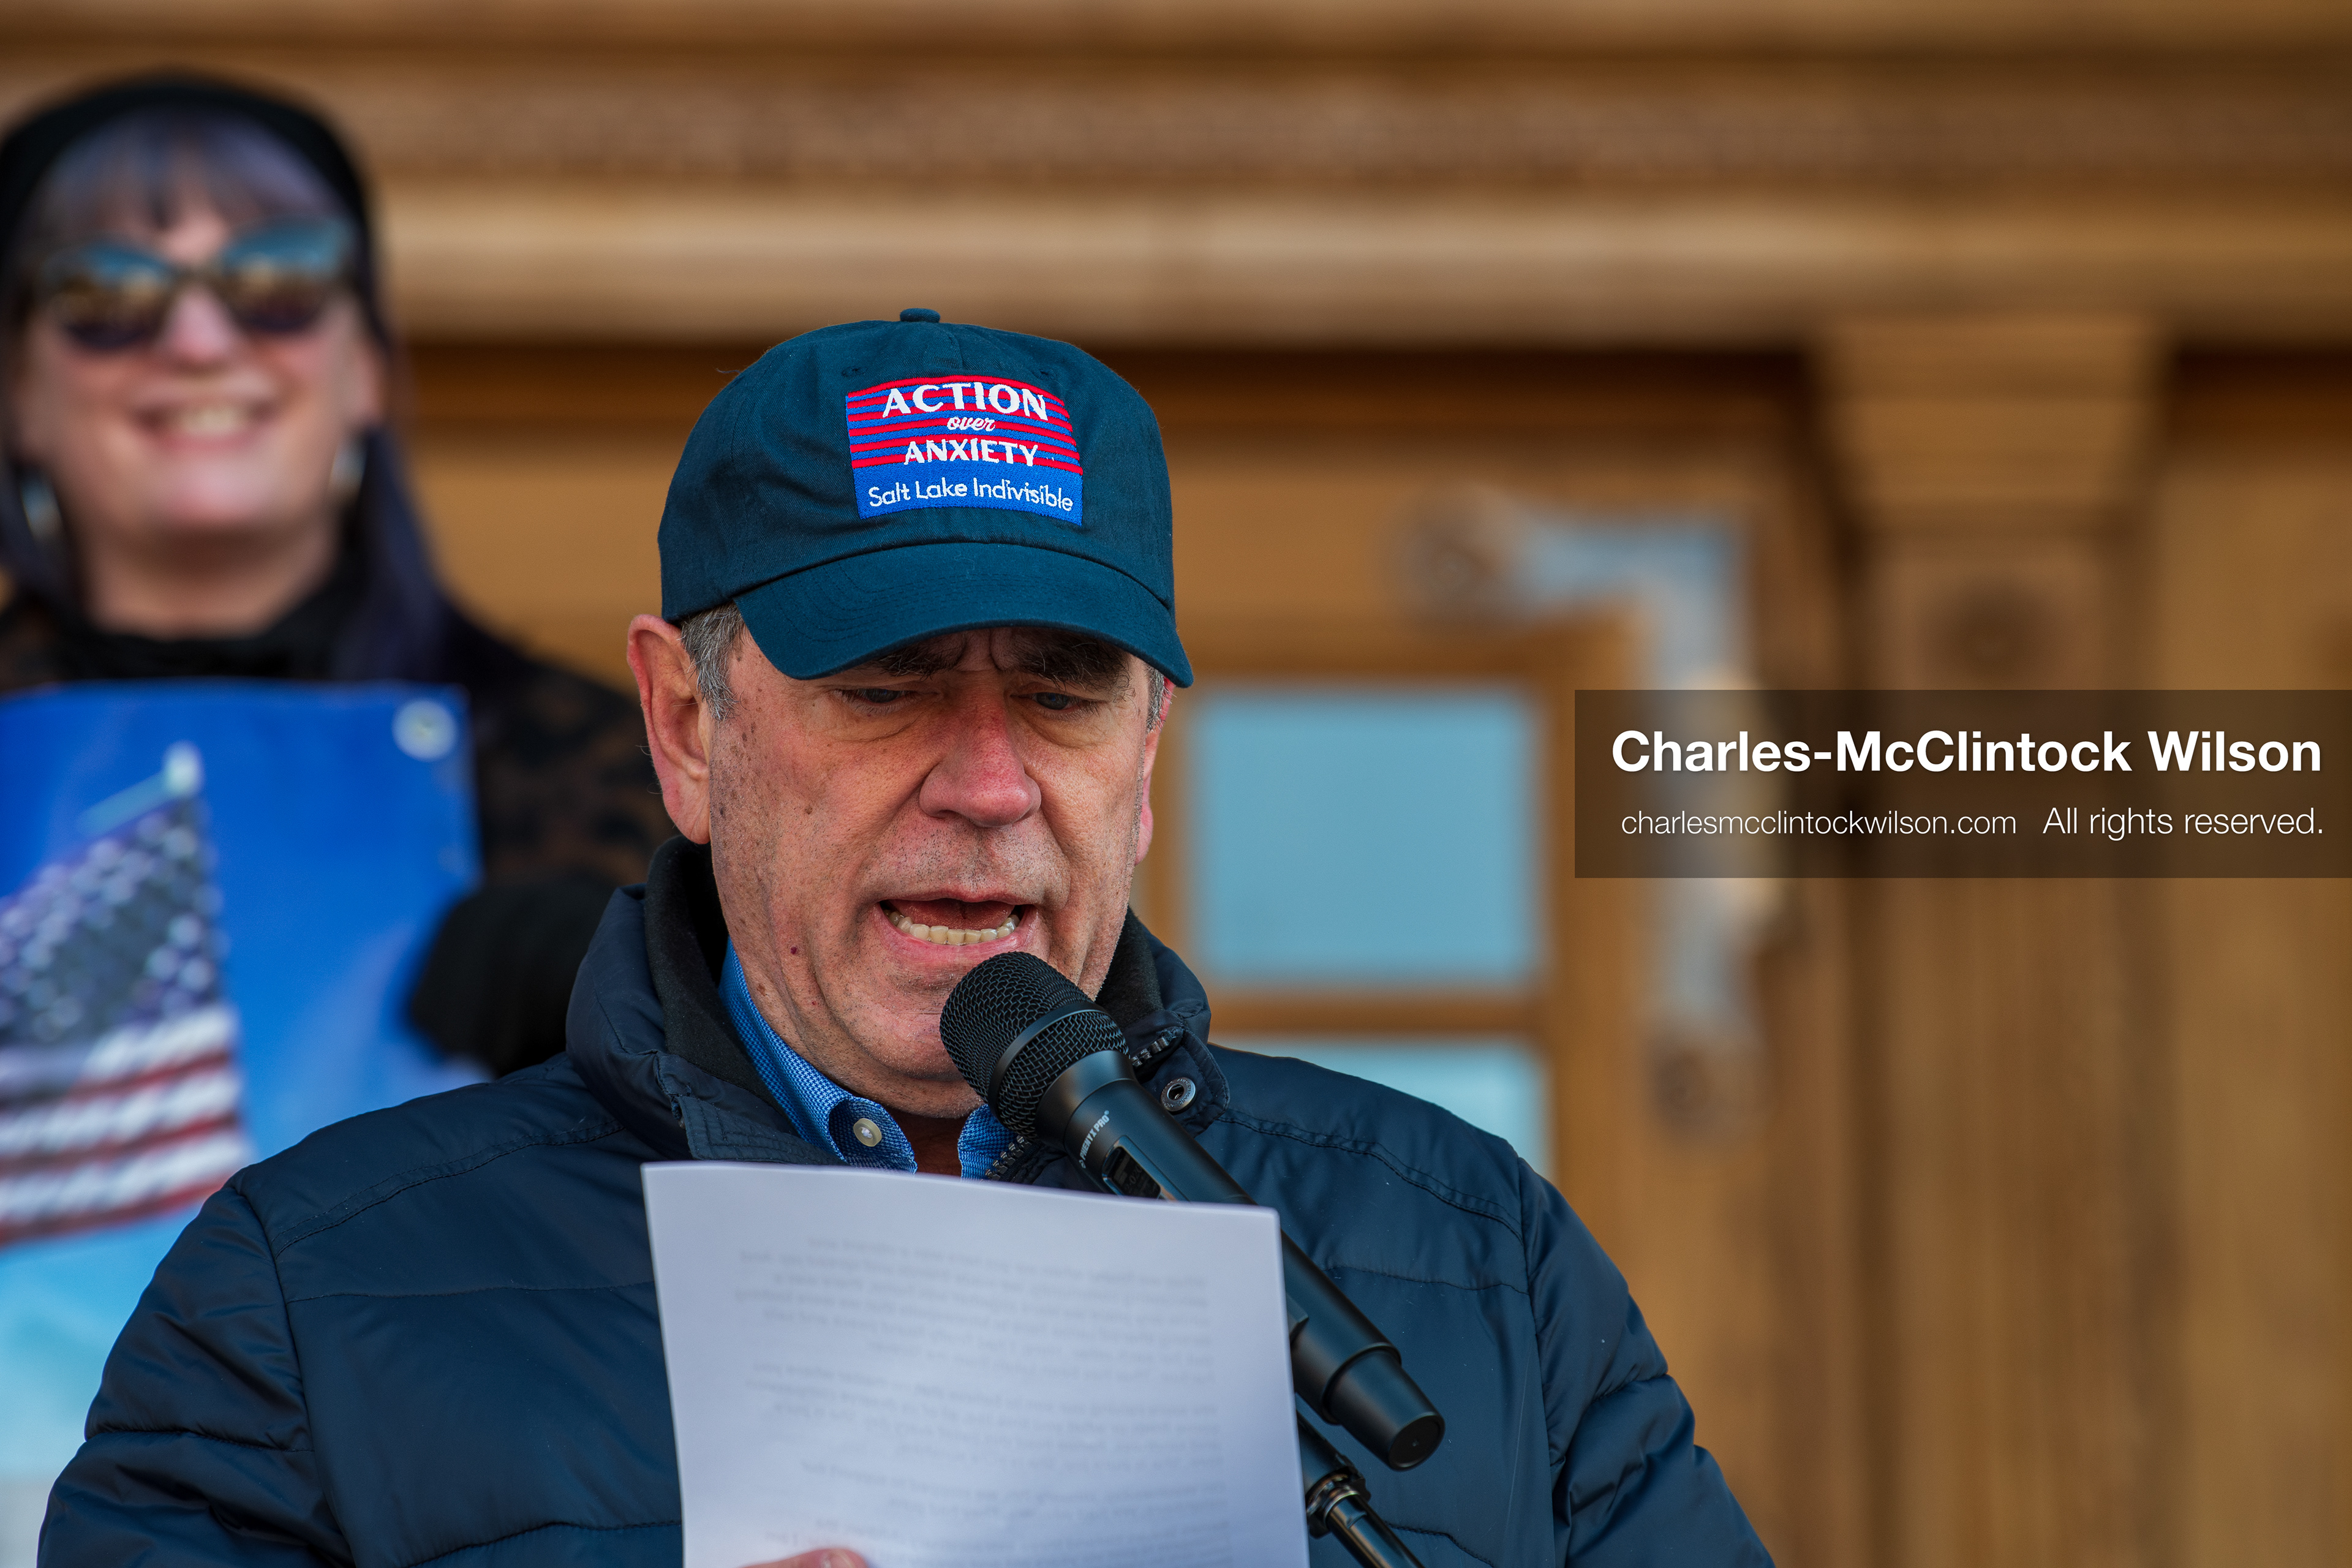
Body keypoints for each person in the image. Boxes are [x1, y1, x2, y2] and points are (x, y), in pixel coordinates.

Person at [38, 311, 1771, 1566]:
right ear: (687, 729)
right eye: (885, 688)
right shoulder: (305, 1294)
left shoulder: (1479, 1264)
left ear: (1150, 750)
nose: (994, 782)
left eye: (1067, 691)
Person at [0, 75, 674, 1076]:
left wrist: (659, 990)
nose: (199, 343)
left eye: (278, 285)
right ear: (20, 393)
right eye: (109, 296)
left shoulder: (611, 776)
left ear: (368, 366)